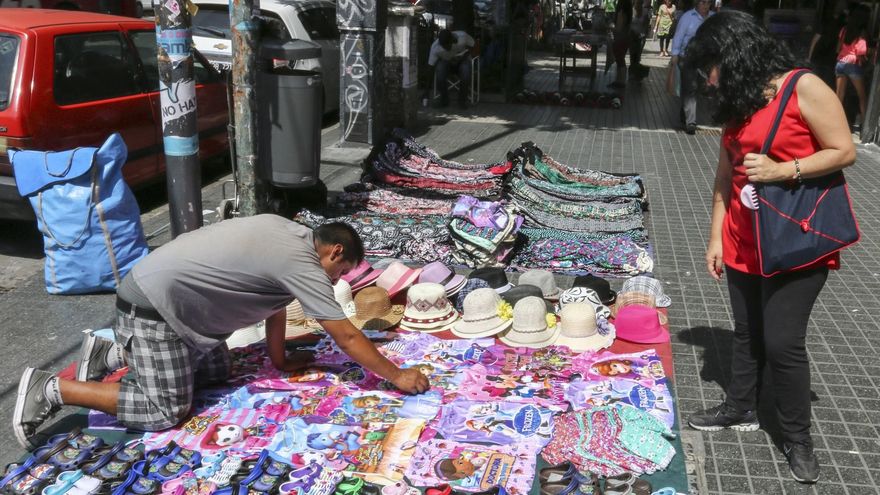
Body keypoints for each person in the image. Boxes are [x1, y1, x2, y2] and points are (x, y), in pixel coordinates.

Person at [12, 215, 430, 449]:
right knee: (165, 412)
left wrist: (279, 360)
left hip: (176, 308)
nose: (337, 278)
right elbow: (347, 337)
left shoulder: (290, 232)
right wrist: (397, 376)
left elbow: (276, 304)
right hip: (156, 309)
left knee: (216, 375)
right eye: (340, 270)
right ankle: (53, 389)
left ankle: (114, 354)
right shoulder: (302, 261)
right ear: (335, 251)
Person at [683, 11, 856, 484]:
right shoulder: (739, 100)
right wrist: (715, 234)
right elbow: (725, 175)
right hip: (743, 233)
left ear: (735, 54)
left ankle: (797, 438)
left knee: (782, 342)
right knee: (746, 331)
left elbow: (844, 150)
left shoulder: (804, 86)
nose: (707, 78)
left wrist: (784, 171)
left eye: (711, 65)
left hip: (795, 237)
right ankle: (741, 407)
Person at [666, 0, 711, 134]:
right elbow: (678, 36)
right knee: (690, 88)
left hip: (704, 60)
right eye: (703, 2)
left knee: (695, 88)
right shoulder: (687, 17)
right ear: (697, 3)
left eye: (708, 3)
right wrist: (674, 54)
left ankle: (684, 115)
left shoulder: (712, 17)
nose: (705, 6)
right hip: (687, 57)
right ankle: (691, 122)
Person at [835, 5, 870, 131]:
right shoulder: (862, 33)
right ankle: (864, 126)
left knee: (839, 95)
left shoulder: (844, 29)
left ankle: (835, 122)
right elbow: (860, 54)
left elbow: (838, 48)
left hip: (840, 63)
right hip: (853, 64)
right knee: (862, 96)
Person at [428, 29, 476, 109]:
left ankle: (462, 101)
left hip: (462, 61)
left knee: (466, 70)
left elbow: (474, 46)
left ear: (453, 39)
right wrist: (426, 91)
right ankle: (444, 100)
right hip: (447, 63)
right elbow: (430, 66)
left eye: (448, 45)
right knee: (440, 69)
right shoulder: (435, 47)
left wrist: (465, 55)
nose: (446, 48)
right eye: (444, 46)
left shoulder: (462, 37)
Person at [609, 0, 633, 88]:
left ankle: (620, 81)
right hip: (625, 38)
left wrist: (609, 26)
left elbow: (618, 29)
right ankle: (620, 81)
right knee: (621, 60)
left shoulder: (621, 13)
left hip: (620, 39)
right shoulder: (628, 12)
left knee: (620, 61)